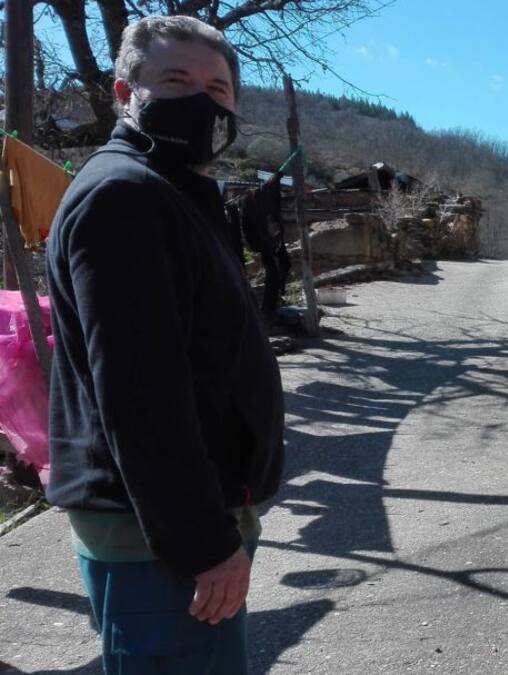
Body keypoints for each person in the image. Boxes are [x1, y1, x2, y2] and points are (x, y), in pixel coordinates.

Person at [45, 15, 284, 674]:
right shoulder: (125, 197)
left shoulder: (170, 191)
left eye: (218, 89)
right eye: (175, 80)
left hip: (176, 524)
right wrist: (204, 543)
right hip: (160, 537)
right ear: (126, 94)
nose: (202, 101)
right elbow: (140, 394)